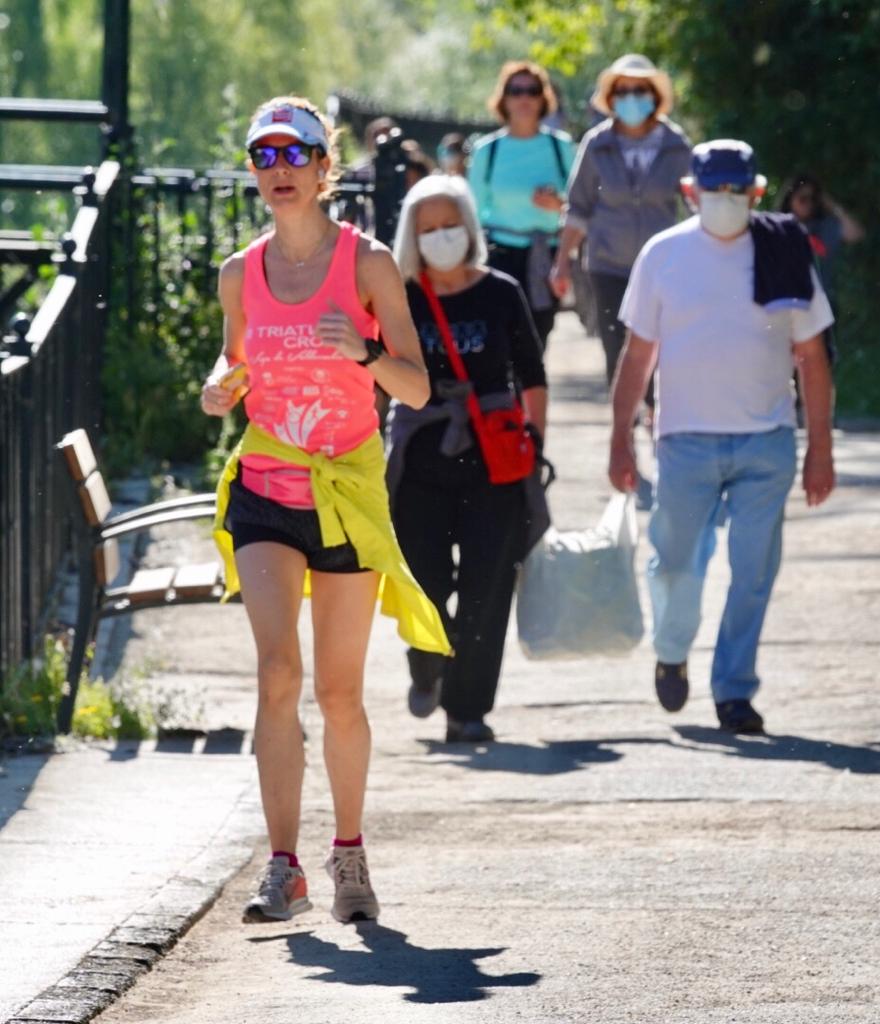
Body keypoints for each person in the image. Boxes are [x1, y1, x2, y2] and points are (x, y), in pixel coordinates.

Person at [201, 96, 450, 926]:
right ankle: (282, 867)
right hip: (268, 486)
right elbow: (235, 359)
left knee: (340, 692)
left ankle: (348, 854)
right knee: (278, 674)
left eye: (293, 154)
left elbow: (416, 385)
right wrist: (219, 383)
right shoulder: (240, 272)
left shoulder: (368, 263)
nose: (277, 170)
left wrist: (367, 350)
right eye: (261, 157)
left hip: (346, 492)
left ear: (322, 166)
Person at [609, 139, 836, 735]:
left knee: (754, 571)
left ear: (756, 192)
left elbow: (811, 356)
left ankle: (734, 690)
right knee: (676, 563)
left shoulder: (784, 248)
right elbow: (639, 355)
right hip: (685, 441)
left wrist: (820, 450)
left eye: (738, 190)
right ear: (692, 193)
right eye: (716, 190)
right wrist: (619, 438)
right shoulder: (664, 255)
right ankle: (673, 648)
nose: (727, 200)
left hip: (766, 439)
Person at [387, 175, 548, 744]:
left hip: (495, 459)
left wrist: (536, 449)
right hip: (420, 457)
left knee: (487, 585)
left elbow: (532, 375)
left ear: (470, 228)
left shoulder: (501, 291)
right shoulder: (398, 294)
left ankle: (467, 708)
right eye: (428, 228)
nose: (441, 237)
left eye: (450, 225)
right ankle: (427, 659)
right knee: (424, 579)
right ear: (412, 234)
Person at [551, 54, 692, 391]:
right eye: (623, 90)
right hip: (608, 265)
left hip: (664, 266)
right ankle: (623, 430)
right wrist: (562, 265)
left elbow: (696, 205)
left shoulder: (676, 145)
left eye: (639, 89)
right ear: (611, 98)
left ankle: (656, 420)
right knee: (617, 350)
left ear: (654, 95)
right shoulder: (597, 144)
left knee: (663, 348)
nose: (631, 97)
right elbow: (578, 209)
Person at [467, 60, 576, 351]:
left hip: (546, 258)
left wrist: (559, 206)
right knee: (500, 341)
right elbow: (471, 215)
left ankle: (532, 397)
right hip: (499, 257)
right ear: (504, 98)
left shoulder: (561, 147)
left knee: (537, 343)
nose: (524, 98)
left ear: (544, 97)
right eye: (516, 91)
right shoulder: (486, 151)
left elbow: (581, 207)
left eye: (533, 90)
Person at [778, 172, 864, 297]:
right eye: (803, 199)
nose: (808, 204)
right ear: (790, 198)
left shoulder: (824, 227)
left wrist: (831, 205)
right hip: (782, 304)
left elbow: (856, 234)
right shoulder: (775, 227)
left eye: (813, 199)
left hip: (820, 306)